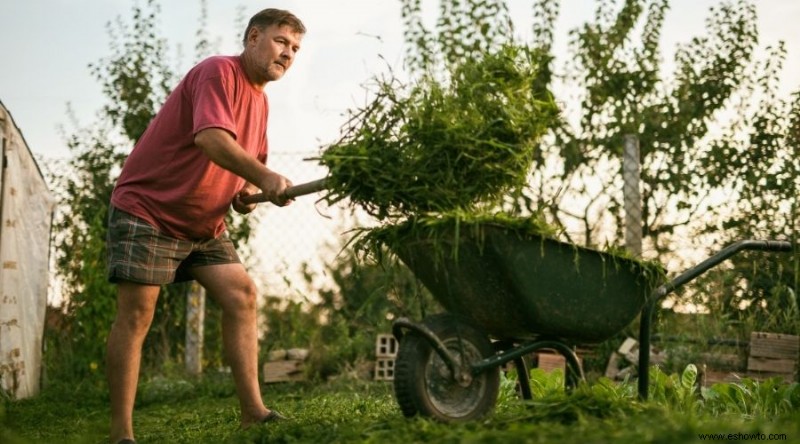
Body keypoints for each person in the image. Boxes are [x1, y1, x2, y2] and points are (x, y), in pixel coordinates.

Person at [104, 8, 306, 444]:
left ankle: (253, 412)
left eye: (295, 49)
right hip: (150, 209)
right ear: (253, 38)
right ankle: (121, 434)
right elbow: (212, 139)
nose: (288, 54)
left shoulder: (261, 101)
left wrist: (244, 194)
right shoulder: (218, 72)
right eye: (280, 42)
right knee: (137, 315)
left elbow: (242, 164)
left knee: (242, 296)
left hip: (202, 225)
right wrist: (265, 178)